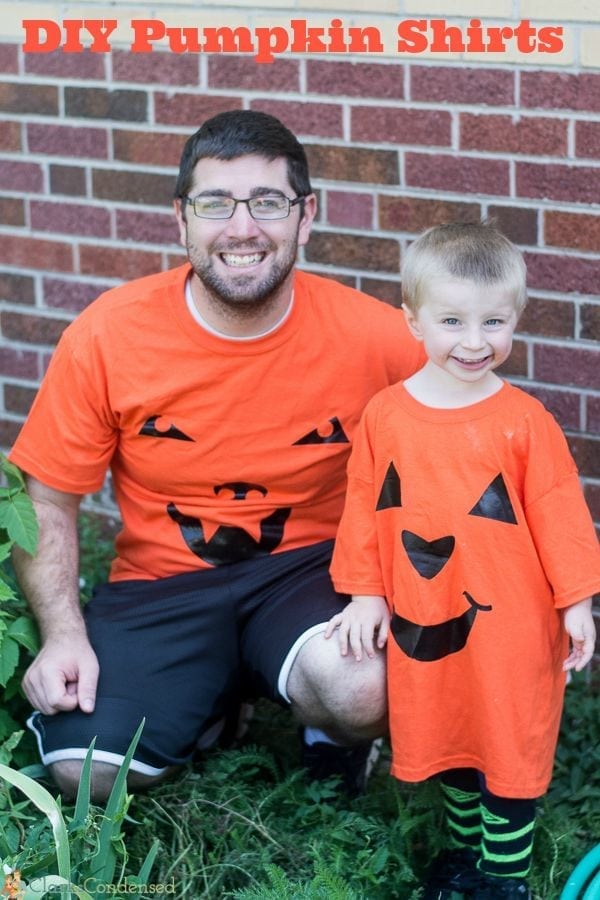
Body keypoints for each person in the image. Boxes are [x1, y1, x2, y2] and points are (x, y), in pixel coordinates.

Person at [9, 109, 425, 802]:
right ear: (182, 219)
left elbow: (465, 452)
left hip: (310, 573)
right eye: (215, 204)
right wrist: (61, 636)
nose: (242, 228)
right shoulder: (109, 335)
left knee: (361, 689)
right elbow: (47, 498)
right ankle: (212, 698)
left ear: (305, 216)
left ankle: (328, 731)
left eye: (268, 202)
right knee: (88, 773)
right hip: (162, 584)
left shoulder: (379, 340)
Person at [326, 222, 599, 898]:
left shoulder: (524, 421)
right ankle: (465, 859)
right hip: (423, 615)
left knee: (505, 746)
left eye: (494, 322)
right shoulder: (386, 416)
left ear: (515, 319)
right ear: (413, 321)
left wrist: (578, 603)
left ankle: (503, 879)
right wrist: (365, 593)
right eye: (452, 320)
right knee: (447, 738)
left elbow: (563, 516)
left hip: (510, 627)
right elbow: (364, 508)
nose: (475, 342)